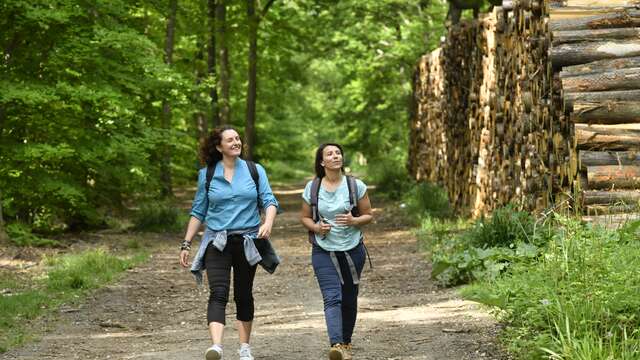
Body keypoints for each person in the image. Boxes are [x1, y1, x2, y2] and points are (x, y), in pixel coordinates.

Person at [179, 126, 279, 360]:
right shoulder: (208, 174)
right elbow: (198, 210)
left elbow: (269, 200)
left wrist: (268, 222)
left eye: (237, 138)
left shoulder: (255, 170)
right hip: (217, 241)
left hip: (248, 241)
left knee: (244, 294)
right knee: (218, 292)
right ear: (218, 146)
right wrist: (186, 243)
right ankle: (216, 347)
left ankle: (244, 348)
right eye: (230, 140)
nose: (236, 142)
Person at [300, 143, 373, 360]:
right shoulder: (312, 188)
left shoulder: (355, 185)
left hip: (353, 250)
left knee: (349, 298)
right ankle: (337, 344)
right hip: (323, 250)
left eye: (338, 153)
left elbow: (369, 215)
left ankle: (347, 343)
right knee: (332, 297)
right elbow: (304, 217)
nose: (335, 156)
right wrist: (316, 227)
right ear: (322, 162)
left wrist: (354, 220)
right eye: (330, 154)